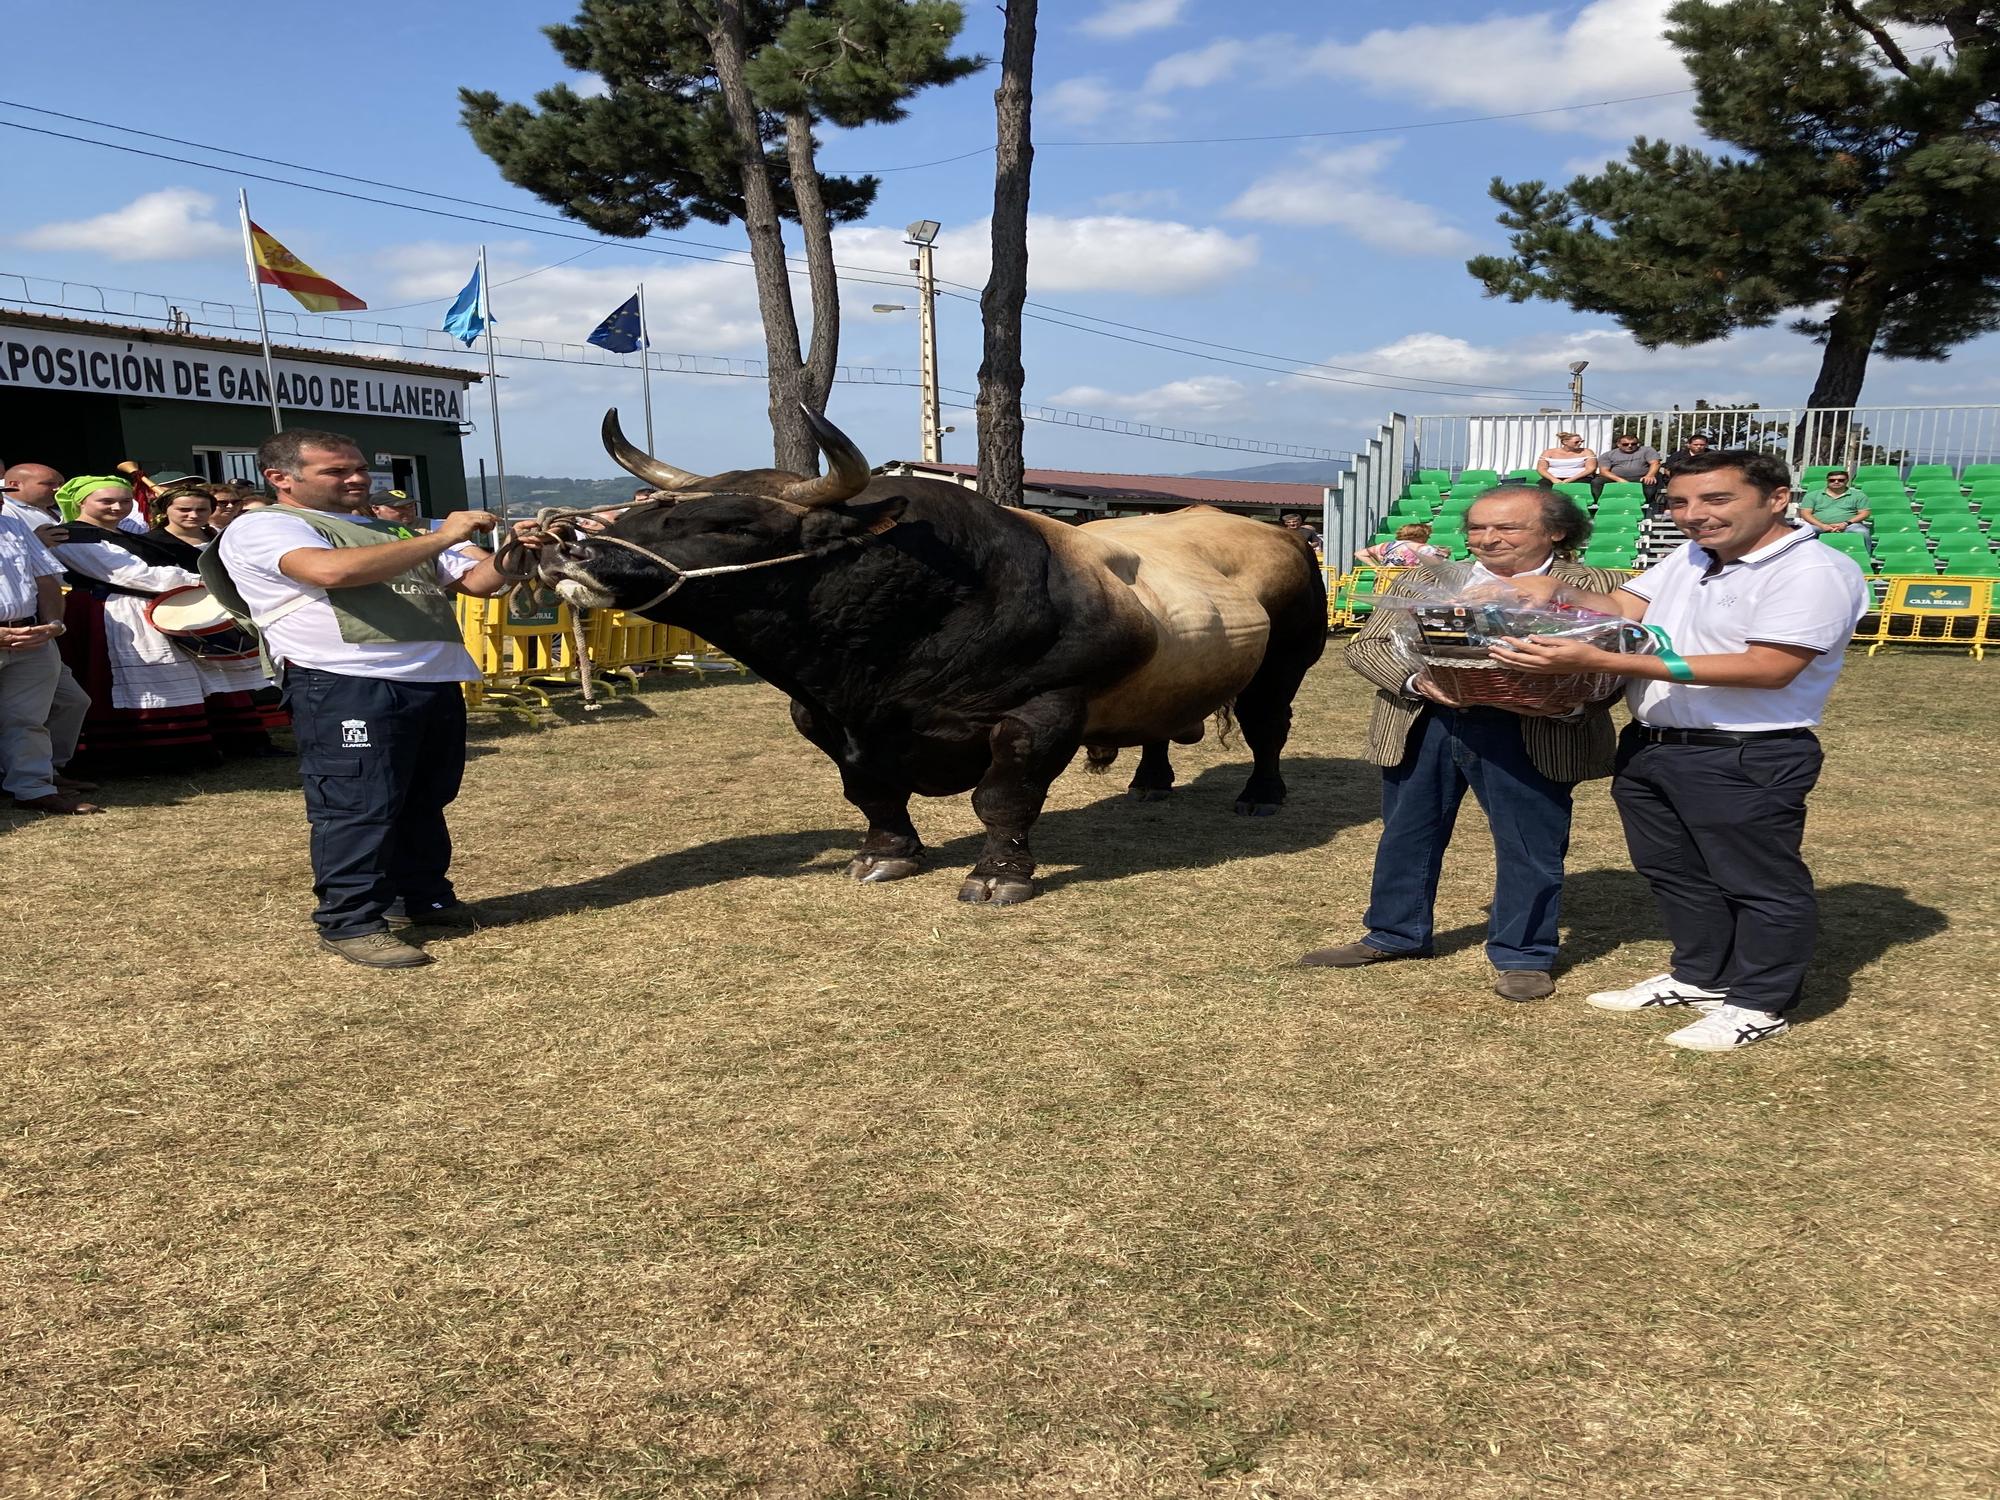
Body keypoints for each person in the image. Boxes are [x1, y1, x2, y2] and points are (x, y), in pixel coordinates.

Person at [1489, 449, 1870, 1051]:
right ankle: (1700, 976)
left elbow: (1769, 668)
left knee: (1757, 882)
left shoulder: (1814, 571)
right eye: (1680, 503)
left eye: (1717, 500)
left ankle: (1761, 1000)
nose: (1695, 516)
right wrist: (1557, 591)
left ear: (1776, 499)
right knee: (1673, 872)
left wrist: (1603, 661)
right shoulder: (1692, 556)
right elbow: (1620, 607)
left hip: (1746, 753)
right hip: (1653, 744)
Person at [210, 428, 536, 970]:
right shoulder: (263, 526)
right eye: (336, 471)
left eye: (360, 468)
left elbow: (480, 583)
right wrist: (441, 534)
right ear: (280, 479)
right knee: (357, 804)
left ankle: (424, 898)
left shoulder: (398, 531)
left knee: (424, 797)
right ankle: (352, 920)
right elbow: (330, 571)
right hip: (343, 681)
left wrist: (519, 549)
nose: (357, 478)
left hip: (431, 679)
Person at [1299, 486, 1626, 1000]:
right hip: (1425, 721)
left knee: (1529, 844)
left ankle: (1524, 954)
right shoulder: (1428, 576)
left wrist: (1570, 698)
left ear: (1557, 531)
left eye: (1507, 528)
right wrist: (1415, 679)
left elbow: (1620, 661)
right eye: (1477, 528)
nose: (1487, 538)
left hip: (1534, 729)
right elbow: (1366, 647)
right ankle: (1394, 934)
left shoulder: (1600, 585)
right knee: (1407, 834)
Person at [50, 476, 245, 775]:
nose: (118, 507)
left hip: (143, 607)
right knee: (126, 678)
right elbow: (128, 574)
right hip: (111, 610)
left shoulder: (126, 533)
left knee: (168, 673)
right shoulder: (73, 536)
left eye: (125, 501)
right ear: (81, 503)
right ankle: (128, 752)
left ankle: (177, 747)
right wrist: (195, 580)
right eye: (107, 501)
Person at [1, 462, 95, 793]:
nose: (2, 501)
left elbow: (45, 577)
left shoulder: (12, 522)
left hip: (31, 636)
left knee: (30, 718)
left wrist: (53, 622)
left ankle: (35, 787)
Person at [1797, 470, 1872, 537]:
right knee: (1803, 533)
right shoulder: (1812, 495)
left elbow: (1864, 513)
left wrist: (1845, 523)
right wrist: (1822, 525)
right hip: (1818, 525)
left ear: (1847, 481)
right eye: (1832, 480)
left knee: (1862, 532)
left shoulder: (1859, 495)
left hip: (1849, 525)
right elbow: (1805, 514)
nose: (1836, 482)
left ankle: (1865, 552)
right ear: (1827, 481)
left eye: (1841, 480)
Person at [1597, 433, 1663, 500]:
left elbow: (1655, 463)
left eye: (1633, 444)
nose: (1630, 446)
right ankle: (1601, 503)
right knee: (1597, 482)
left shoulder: (1647, 450)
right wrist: (1620, 480)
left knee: (1650, 481)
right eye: (1625, 444)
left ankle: (1646, 504)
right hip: (1616, 479)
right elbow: (1604, 472)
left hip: (1641, 477)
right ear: (1618, 444)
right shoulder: (1608, 455)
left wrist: (1650, 475)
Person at [1356, 522, 1449, 568]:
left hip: (1386, 584)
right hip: (1412, 586)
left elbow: (1359, 553)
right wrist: (1445, 553)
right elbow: (1441, 564)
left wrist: (1376, 568)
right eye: (1427, 535)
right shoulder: (1424, 548)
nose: (1428, 538)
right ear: (1419, 535)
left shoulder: (1387, 545)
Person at [152, 487, 219, 549]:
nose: (194, 515)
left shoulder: (220, 540)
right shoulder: (148, 543)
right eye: (184, 510)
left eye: (201, 510)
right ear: (165, 510)